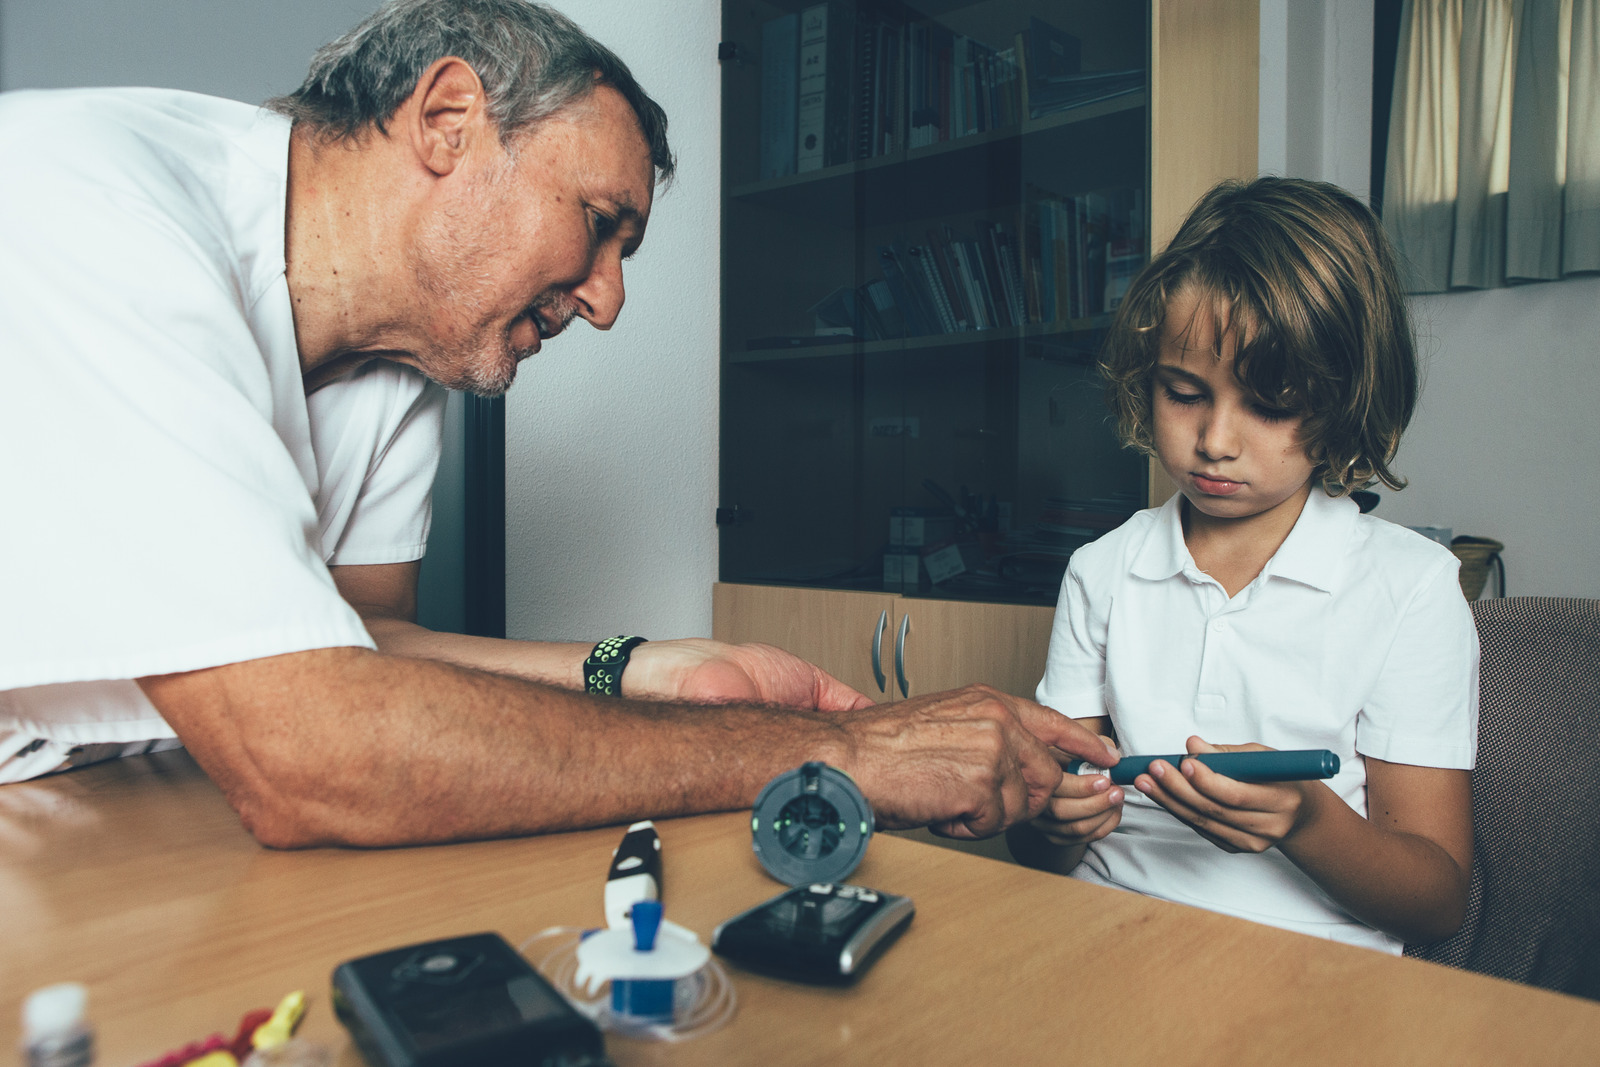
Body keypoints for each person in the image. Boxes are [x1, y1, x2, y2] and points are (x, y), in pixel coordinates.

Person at [0, 0, 1113, 846]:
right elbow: (312, 745)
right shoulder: (93, 213)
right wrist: (844, 750)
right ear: (446, 121)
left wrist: (641, 669)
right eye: (597, 223)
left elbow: (361, 641)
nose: (607, 298)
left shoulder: (400, 361)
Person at [1006, 177, 1478, 953]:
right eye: (1183, 391)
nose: (1215, 439)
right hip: (1101, 935)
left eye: (1268, 404)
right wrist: (1052, 818)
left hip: (1312, 962)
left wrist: (1308, 818)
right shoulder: (1102, 570)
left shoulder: (1411, 588)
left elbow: (1436, 900)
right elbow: (1040, 849)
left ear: (1343, 403)